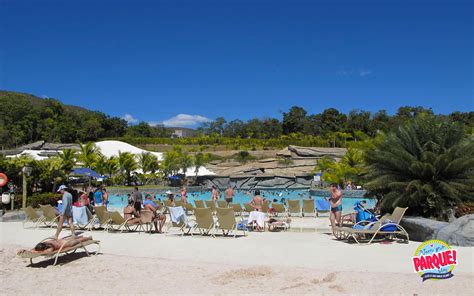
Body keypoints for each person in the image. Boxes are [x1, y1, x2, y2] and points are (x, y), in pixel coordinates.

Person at [18, 236, 93, 255]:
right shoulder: (44, 243)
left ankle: (88, 238)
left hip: (65, 244)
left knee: (77, 241)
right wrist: (25, 250)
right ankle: (83, 236)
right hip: (61, 241)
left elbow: (47, 252)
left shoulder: (50, 247)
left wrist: (38, 252)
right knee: (74, 238)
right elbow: (34, 249)